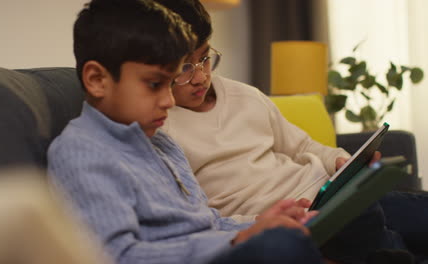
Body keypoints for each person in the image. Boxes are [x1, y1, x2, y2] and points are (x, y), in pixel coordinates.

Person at [47, 0, 326, 263]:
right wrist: (236, 241)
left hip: (213, 250)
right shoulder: (82, 153)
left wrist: (261, 223)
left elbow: (208, 222)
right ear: (97, 80)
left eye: (170, 84)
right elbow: (119, 255)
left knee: (307, 227)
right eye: (155, 84)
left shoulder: (161, 143)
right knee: (282, 246)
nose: (169, 100)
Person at [154, 0, 428, 262]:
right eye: (185, 68)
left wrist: (340, 162)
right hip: (289, 221)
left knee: (399, 211)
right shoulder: (160, 125)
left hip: (326, 194)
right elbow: (199, 219)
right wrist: (258, 223)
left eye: (204, 59)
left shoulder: (244, 94)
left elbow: (303, 147)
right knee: (366, 220)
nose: (200, 76)